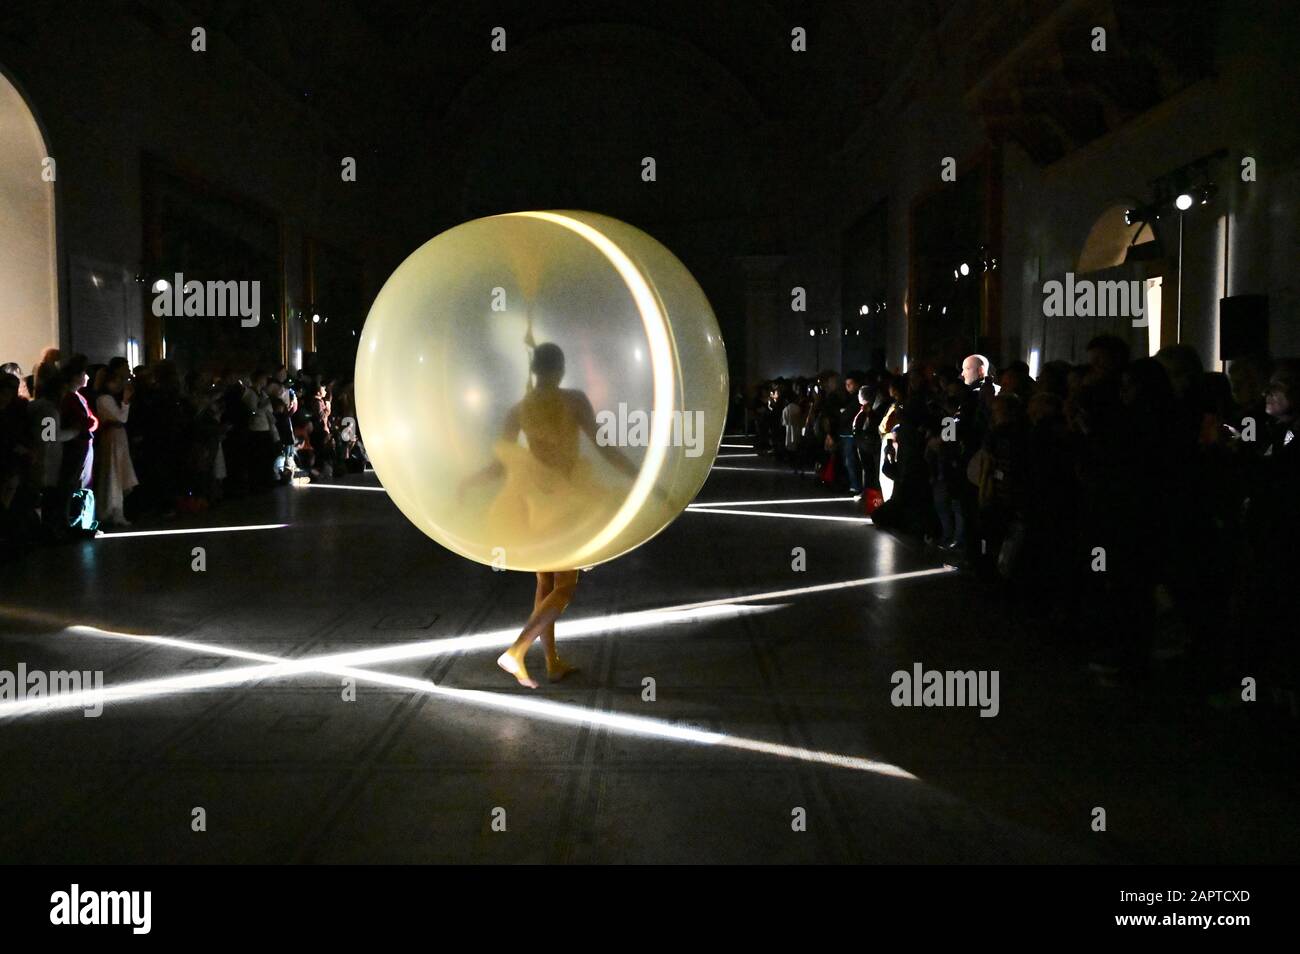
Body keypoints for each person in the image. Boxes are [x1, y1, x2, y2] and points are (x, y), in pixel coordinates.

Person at [459, 342, 645, 689]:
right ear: (559, 370)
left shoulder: (519, 409)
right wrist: (640, 476)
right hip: (565, 502)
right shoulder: (574, 400)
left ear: (534, 371)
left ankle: (552, 661)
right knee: (566, 586)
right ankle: (516, 651)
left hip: (533, 503)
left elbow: (501, 464)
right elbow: (603, 445)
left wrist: (469, 482)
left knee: (545, 583)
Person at [94, 363, 138, 526]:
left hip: (117, 438)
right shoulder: (104, 399)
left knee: (116, 472)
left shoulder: (107, 399)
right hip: (113, 439)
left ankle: (114, 511)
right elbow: (120, 418)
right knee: (114, 473)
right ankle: (112, 511)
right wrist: (126, 402)